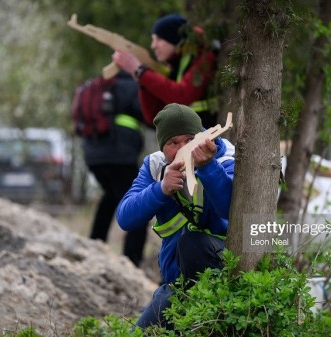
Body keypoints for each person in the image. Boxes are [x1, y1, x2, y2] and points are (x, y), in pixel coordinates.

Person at [116, 103, 235, 328]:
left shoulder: (225, 157)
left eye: (190, 139)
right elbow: (125, 218)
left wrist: (208, 168)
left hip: (221, 275)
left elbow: (229, 209)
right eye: (174, 143)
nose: (184, 148)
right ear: (163, 148)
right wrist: (160, 188)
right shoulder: (156, 165)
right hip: (176, 284)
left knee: (192, 243)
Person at [83, 70, 148, 267]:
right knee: (138, 206)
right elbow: (149, 115)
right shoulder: (132, 87)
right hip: (120, 156)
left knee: (110, 196)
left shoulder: (99, 86)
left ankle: (94, 247)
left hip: (93, 157)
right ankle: (131, 262)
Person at [111, 13, 219, 129]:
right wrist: (142, 78)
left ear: (174, 39)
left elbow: (182, 95)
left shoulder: (205, 58)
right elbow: (154, 115)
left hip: (208, 132)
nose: (153, 46)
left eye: (159, 39)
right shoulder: (175, 64)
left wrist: (141, 71)